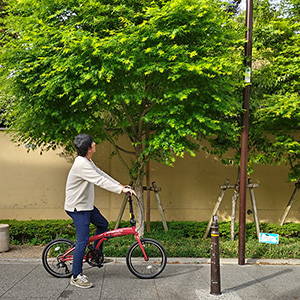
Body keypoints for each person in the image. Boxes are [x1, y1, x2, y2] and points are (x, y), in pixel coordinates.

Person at [64, 133, 135, 289]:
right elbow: (100, 181)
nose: (95, 143)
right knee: (83, 240)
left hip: (86, 205)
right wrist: (120, 190)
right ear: (89, 149)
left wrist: (121, 186)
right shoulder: (81, 165)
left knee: (102, 224)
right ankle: (76, 276)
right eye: (92, 143)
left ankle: (96, 256)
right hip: (78, 208)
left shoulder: (87, 161)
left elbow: (102, 174)